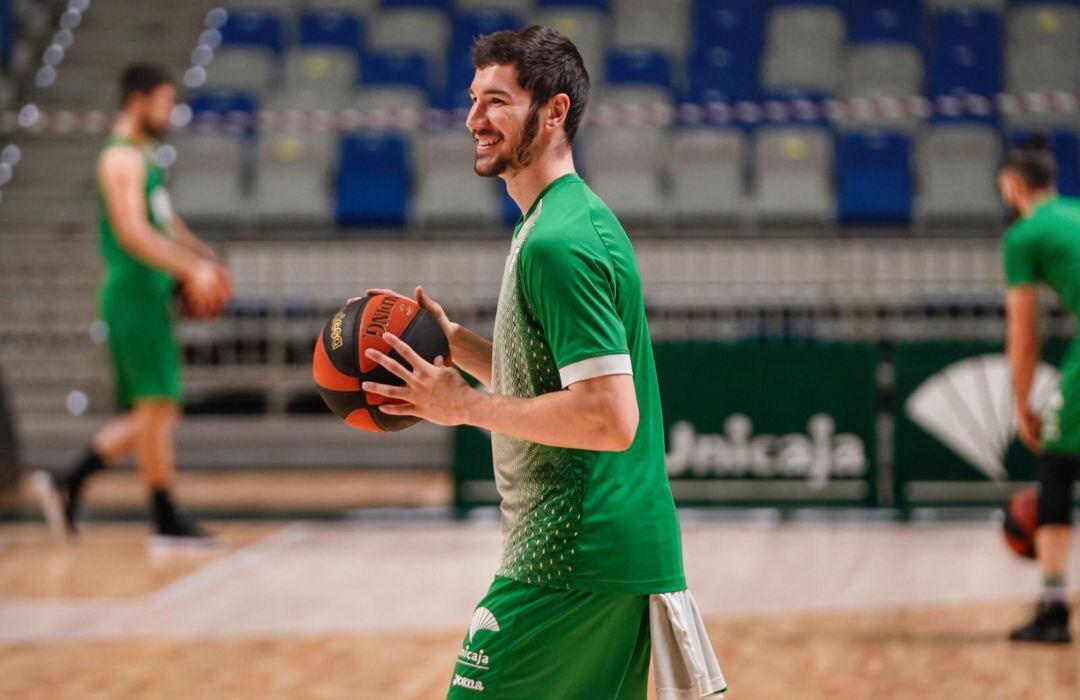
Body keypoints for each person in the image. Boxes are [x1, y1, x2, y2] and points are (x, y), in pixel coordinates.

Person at [364, 27, 725, 698]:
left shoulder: (557, 243)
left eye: (496, 101)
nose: (474, 119)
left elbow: (609, 418)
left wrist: (461, 406)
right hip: (604, 553)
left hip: (572, 556)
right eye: (473, 100)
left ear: (554, 112)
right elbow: (552, 387)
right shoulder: (561, 218)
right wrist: (460, 348)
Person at [33, 63, 230, 548]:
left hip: (150, 291)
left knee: (158, 406)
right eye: (163, 102)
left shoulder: (144, 153)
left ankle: (148, 507)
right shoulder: (120, 157)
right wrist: (190, 268)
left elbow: (164, 222)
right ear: (137, 101)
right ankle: (79, 483)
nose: (169, 112)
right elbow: (133, 231)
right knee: (157, 404)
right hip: (132, 291)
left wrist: (205, 258)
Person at [1001, 135, 1079, 643]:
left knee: (1056, 465)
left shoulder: (1024, 235)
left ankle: (1053, 610)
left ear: (1012, 186)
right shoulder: (1075, 212)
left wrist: (1022, 405)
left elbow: (1024, 336)